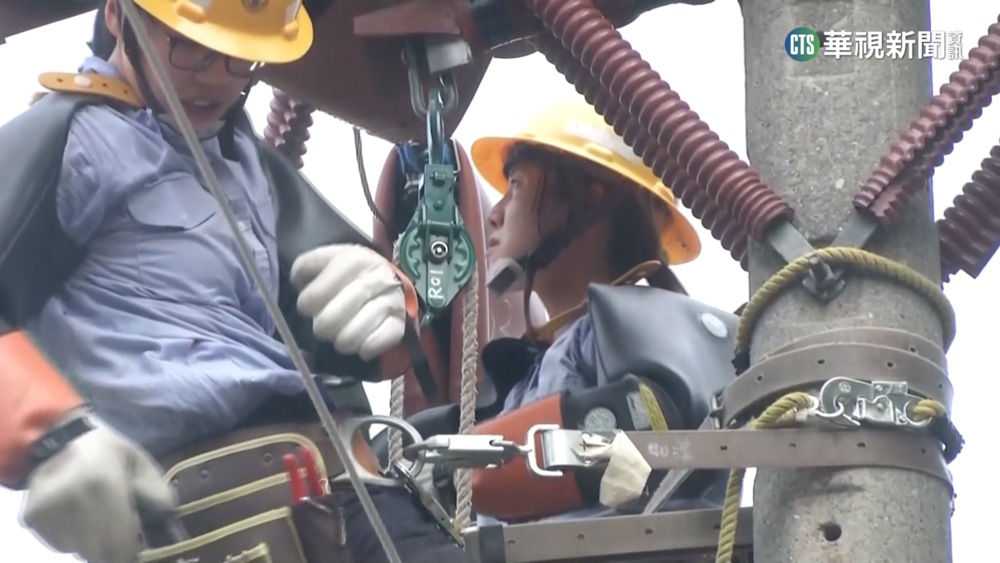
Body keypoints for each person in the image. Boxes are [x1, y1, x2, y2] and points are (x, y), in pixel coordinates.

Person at [0, 1, 468, 562]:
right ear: (120, 18)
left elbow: (339, 310)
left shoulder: (239, 155)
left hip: (349, 492)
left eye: (240, 57)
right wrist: (46, 437)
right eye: (192, 49)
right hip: (220, 522)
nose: (219, 78)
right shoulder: (75, 139)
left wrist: (386, 295)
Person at [462, 96, 732, 524]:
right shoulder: (536, 368)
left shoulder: (652, 322)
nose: (495, 214)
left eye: (516, 184)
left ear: (589, 198)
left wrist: (474, 465)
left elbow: (658, 422)